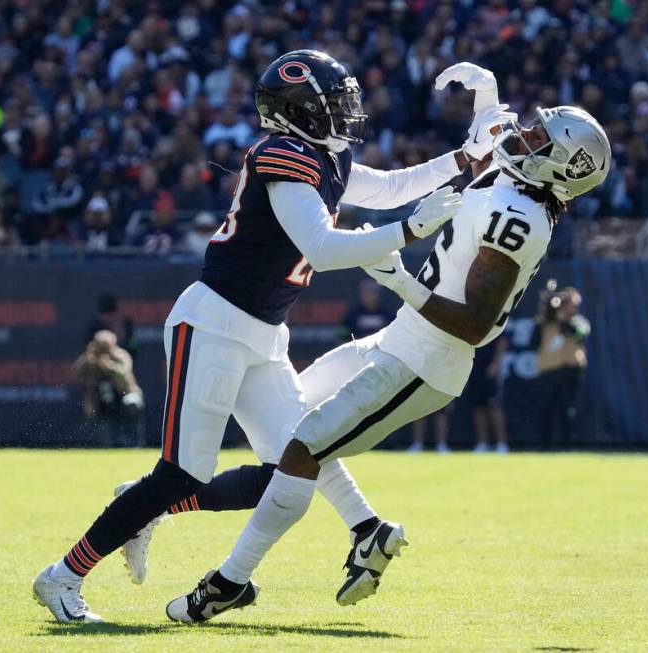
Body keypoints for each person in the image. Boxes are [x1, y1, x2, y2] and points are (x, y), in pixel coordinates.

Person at [33, 52, 508, 624]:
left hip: (263, 331)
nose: (344, 113)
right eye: (332, 103)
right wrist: (412, 228)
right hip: (214, 323)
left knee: (290, 464)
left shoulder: (321, 157)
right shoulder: (282, 156)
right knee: (182, 471)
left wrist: (463, 158)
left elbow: (387, 186)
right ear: (299, 110)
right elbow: (323, 248)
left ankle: (144, 509)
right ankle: (62, 576)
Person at [165, 103, 612, 623]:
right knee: (289, 426)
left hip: (427, 361)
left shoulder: (520, 219)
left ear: (562, 167)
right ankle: (368, 531)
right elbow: (464, 164)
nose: (524, 134)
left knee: (301, 449)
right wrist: (485, 103)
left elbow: (474, 326)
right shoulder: (511, 178)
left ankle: (227, 583)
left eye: (540, 135)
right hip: (400, 338)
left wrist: (400, 281)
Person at [534, 286, 590, 450]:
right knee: (545, 408)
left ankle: (567, 446)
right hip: (548, 371)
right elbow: (534, 342)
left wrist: (563, 320)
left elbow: (581, 334)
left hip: (571, 370)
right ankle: (544, 446)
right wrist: (549, 312)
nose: (569, 307)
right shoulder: (544, 323)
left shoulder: (580, 322)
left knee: (567, 408)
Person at [73, 330, 145, 448]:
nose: (103, 349)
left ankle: (134, 443)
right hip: (103, 400)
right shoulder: (91, 359)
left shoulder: (121, 356)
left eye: (106, 345)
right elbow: (77, 373)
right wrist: (88, 356)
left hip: (124, 394)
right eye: (100, 345)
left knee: (133, 403)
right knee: (98, 410)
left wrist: (109, 366)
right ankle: (109, 443)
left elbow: (124, 374)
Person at [464, 338, 509, 454]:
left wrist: (496, 363)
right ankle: (483, 442)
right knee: (477, 408)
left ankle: (501, 443)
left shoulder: (492, 321)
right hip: (472, 369)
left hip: (490, 369)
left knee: (494, 406)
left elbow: (503, 341)